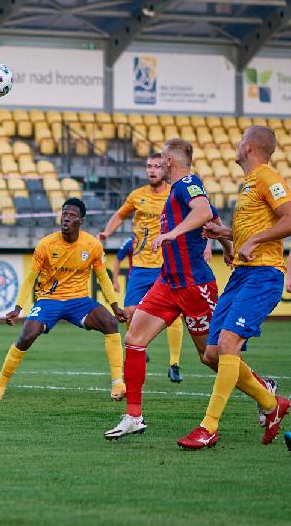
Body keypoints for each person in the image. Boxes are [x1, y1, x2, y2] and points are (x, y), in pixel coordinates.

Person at [103, 137, 262, 441]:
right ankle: (133, 417)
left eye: (160, 159)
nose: (157, 165)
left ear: (170, 162)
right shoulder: (179, 189)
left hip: (194, 284)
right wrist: (228, 247)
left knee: (211, 356)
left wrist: (171, 234)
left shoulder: (186, 183)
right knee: (134, 339)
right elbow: (212, 216)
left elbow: (203, 212)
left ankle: (264, 390)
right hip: (169, 281)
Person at [178, 126, 290, 449]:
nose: (237, 145)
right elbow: (256, 228)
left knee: (228, 345)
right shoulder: (250, 184)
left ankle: (208, 427)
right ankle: (271, 403)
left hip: (263, 275)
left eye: (241, 140)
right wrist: (225, 233)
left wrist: (254, 240)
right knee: (212, 353)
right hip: (241, 275)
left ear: (250, 147)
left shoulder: (268, 177)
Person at [0, 197, 127, 402]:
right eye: (64, 214)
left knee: (110, 323)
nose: (66, 218)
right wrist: (17, 308)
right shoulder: (46, 244)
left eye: (72, 215)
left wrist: (115, 306)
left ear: (81, 221)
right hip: (48, 300)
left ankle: (117, 384)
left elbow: (103, 277)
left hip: (78, 300)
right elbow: (30, 278)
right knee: (27, 336)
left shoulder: (92, 245)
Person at [98, 153, 185, 382]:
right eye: (149, 166)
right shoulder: (137, 196)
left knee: (174, 314)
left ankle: (174, 363)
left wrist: (204, 245)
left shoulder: (174, 193)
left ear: (165, 169)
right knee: (129, 312)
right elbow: (120, 214)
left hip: (165, 264)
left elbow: (194, 216)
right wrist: (106, 233)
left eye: (157, 166)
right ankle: (139, 346)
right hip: (140, 266)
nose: (152, 170)